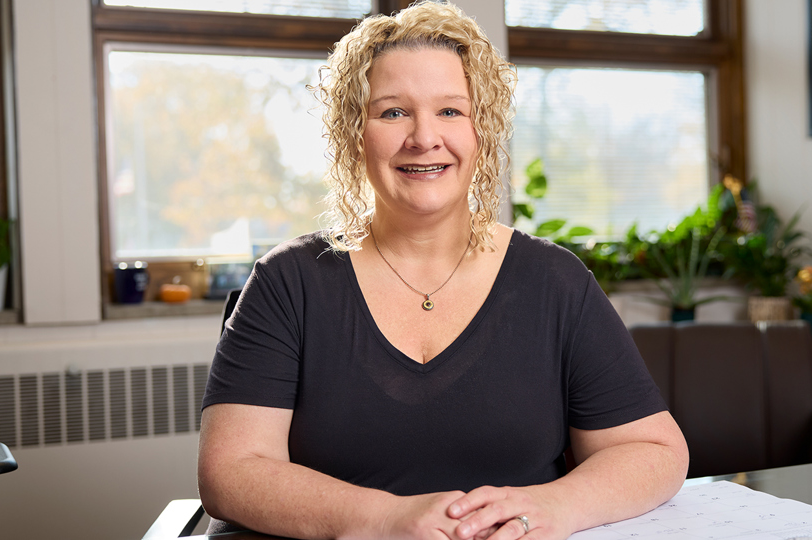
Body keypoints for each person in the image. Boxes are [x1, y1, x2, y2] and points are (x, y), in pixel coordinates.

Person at [197, 2, 689, 539]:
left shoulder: (555, 281)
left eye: (451, 111)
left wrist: (557, 505)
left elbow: (653, 451)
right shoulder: (287, 282)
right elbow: (231, 472)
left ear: (484, 130)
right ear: (352, 133)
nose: (424, 137)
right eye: (392, 112)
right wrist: (385, 520)